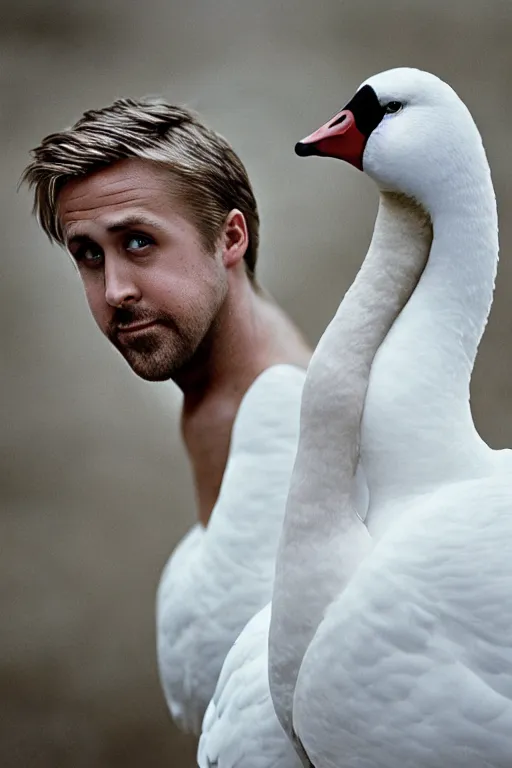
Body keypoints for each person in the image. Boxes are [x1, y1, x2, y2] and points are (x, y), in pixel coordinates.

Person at [22, 98, 312, 733]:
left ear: (230, 237)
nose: (115, 290)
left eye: (137, 241)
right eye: (89, 255)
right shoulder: (221, 376)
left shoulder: (280, 418)